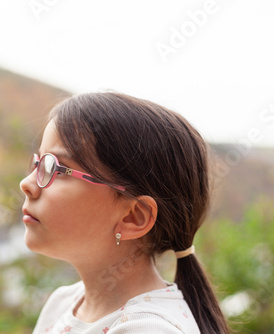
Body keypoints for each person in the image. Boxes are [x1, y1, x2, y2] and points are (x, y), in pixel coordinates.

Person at [20, 92, 229, 334]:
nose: (26, 184)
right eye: (39, 163)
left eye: (57, 169)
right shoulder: (63, 303)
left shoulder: (149, 329)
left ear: (134, 217)